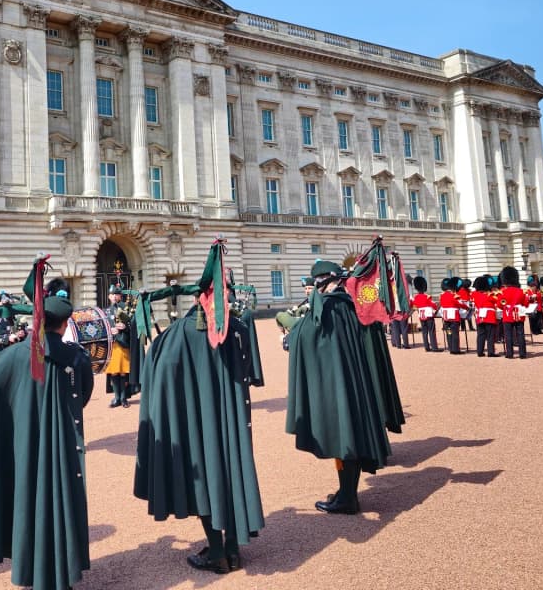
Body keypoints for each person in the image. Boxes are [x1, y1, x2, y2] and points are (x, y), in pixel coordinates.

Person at [134, 241, 264, 574]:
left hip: (194, 420)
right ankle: (233, 548)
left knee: (204, 480)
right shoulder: (237, 328)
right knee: (230, 472)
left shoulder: (176, 334)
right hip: (231, 420)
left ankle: (218, 552)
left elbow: (156, 381)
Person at [0, 290, 94, 590]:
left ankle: (31, 573)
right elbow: (82, 397)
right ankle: (59, 575)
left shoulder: (10, 355)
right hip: (60, 446)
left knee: (25, 500)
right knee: (58, 503)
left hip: (20, 445)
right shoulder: (75, 356)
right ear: (65, 323)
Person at [286, 259, 403, 517]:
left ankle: (348, 498)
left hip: (336, 382)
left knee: (343, 438)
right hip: (355, 378)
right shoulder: (350, 305)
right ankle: (345, 491)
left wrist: (288, 325)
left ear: (321, 281)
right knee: (350, 435)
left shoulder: (328, 308)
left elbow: (303, 338)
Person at [105, 284, 132, 408]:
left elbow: (133, 325)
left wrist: (125, 327)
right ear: (109, 297)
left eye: (116, 294)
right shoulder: (106, 311)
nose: (114, 297)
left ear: (120, 296)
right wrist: (109, 330)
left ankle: (124, 398)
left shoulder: (126, 309)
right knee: (114, 372)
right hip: (112, 345)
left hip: (123, 344)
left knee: (123, 372)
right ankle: (116, 397)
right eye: (112, 295)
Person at [497, 267, 527, 359]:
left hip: (508, 315)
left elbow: (499, 305)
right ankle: (522, 354)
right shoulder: (521, 291)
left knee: (508, 335)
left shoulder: (503, 292)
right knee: (520, 334)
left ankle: (509, 353)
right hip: (518, 315)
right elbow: (525, 304)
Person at [472, 276, 498, 357]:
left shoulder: (474, 294)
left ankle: (480, 351)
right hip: (489, 317)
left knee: (481, 334)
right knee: (490, 335)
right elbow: (498, 300)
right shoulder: (490, 295)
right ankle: (491, 352)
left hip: (480, 316)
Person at [411, 276, 438, 352]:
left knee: (424, 332)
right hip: (428, 316)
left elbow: (414, 306)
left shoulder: (415, 297)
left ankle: (426, 347)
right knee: (431, 331)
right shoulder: (427, 297)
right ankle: (434, 347)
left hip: (421, 316)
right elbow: (434, 306)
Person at [439, 278, 465, 354]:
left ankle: (451, 348)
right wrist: (467, 308)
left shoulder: (442, 295)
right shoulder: (455, 296)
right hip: (454, 317)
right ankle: (456, 350)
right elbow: (460, 305)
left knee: (449, 333)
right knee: (455, 334)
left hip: (446, 318)